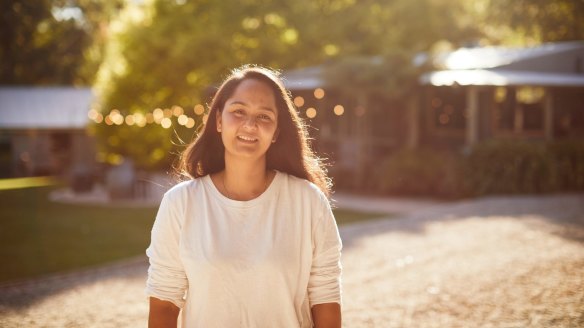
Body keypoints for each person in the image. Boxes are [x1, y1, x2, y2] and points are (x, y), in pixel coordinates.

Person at [145, 65, 343, 328]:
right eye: (238, 112)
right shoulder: (180, 204)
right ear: (218, 120)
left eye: (264, 117)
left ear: (277, 132)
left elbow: (326, 298)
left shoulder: (308, 202)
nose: (250, 125)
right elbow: (164, 304)